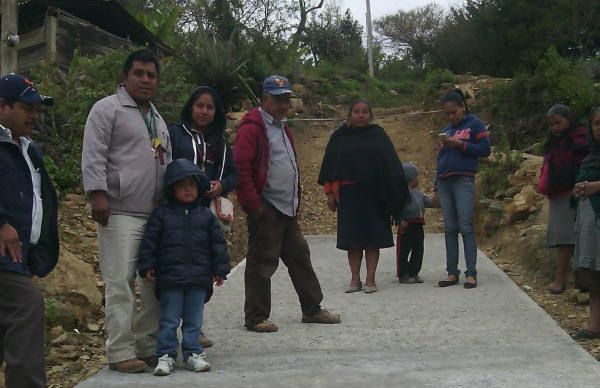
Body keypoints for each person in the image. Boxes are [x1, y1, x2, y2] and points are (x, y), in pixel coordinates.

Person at [82, 49, 172, 373]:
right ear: (125, 76)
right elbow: (94, 153)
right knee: (120, 281)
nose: (145, 79)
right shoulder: (107, 110)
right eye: (139, 73)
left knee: (152, 283)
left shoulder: (158, 120)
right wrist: (97, 195)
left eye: (151, 75)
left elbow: (166, 163)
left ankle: (147, 346)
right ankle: (119, 351)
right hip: (118, 211)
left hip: (154, 214)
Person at [234, 75, 340, 332]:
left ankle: (312, 308)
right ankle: (256, 317)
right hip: (267, 205)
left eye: (285, 99)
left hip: (286, 207)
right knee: (262, 261)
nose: (283, 105)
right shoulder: (252, 128)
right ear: (265, 99)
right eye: (277, 99)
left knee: (299, 256)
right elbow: (241, 168)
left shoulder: (283, 127)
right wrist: (254, 206)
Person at [137, 159, 230, 375]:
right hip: (170, 279)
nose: (187, 189)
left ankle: (192, 354)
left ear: (199, 187)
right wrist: (147, 264)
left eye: (191, 184)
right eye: (181, 185)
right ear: (172, 189)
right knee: (169, 320)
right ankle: (166, 355)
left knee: (193, 321)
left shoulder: (206, 216)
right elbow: (150, 242)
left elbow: (217, 245)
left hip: (198, 279)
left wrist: (220, 269)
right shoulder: (161, 215)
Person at [0, 74, 58, 388]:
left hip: (21, 257)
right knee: (27, 307)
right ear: (2, 106)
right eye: (26, 108)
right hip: (4, 255)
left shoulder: (27, 149)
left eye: (37, 109)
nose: (34, 115)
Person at [168, 86, 238, 348]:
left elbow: (233, 173)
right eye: (200, 105)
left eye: (210, 107)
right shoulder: (176, 134)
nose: (204, 111)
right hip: (176, 214)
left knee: (201, 271)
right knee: (177, 270)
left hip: (205, 215)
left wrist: (222, 185)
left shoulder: (220, 140)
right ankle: (166, 329)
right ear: (190, 107)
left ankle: (193, 327)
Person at [318, 99, 409, 293]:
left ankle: (370, 279)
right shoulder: (339, 138)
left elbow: (391, 166)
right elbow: (330, 168)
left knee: (372, 239)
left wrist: (395, 198)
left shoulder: (378, 136)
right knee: (353, 239)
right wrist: (330, 194)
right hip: (349, 195)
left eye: (365, 111)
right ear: (350, 114)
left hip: (375, 195)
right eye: (357, 111)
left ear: (370, 114)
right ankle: (354, 279)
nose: (361, 115)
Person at [435, 89, 491, 289]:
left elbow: (485, 149)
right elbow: (440, 158)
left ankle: (471, 273)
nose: (451, 117)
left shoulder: (475, 124)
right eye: (447, 113)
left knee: (466, 225)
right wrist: (436, 185)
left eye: (453, 112)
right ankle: (452, 272)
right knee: (450, 227)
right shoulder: (447, 130)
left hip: (464, 179)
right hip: (444, 180)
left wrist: (461, 145)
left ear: (462, 107)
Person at [537, 104, 589, 294]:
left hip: (574, 193)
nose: (554, 128)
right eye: (551, 125)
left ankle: (561, 281)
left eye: (558, 123)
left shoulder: (580, 139)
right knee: (562, 238)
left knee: (567, 239)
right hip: (558, 193)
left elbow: (580, 166)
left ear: (569, 120)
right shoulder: (556, 141)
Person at [572, 107, 600, 339]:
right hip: (590, 222)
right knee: (593, 274)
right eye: (597, 123)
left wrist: (594, 187)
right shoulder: (591, 156)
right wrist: (579, 189)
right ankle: (594, 324)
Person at [396, 162, 438, 284]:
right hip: (406, 225)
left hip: (418, 224)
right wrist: (400, 220)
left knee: (418, 249)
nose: (418, 179)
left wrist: (437, 202)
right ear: (411, 178)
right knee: (403, 250)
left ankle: (414, 272)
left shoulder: (418, 193)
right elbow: (396, 208)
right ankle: (403, 274)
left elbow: (427, 202)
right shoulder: (401, 194)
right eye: (416, 177)